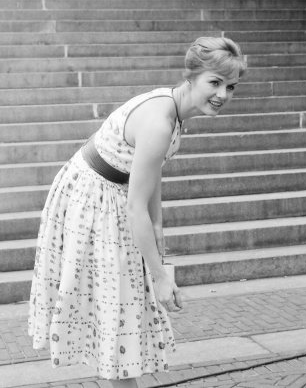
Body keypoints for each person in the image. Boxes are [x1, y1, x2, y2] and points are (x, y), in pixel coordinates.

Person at [28, 36, 247, 387]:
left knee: (124, 308)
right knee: (118, 307)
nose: (223, 95)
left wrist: (158, 228)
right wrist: (160, 276)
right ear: (191, 78)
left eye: (231, 86)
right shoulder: (160, 122)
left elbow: (148, 172)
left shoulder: (175, 110)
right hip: (94, 200)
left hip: (114, 194)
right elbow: (135, 206)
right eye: (215, 82)